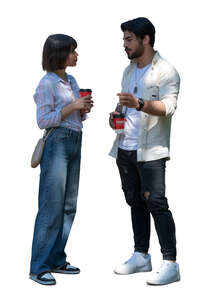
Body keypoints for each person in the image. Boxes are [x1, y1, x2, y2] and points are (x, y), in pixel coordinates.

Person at [109, 17, 180, 285]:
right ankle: (141, 256)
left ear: (145, 39)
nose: (124, 45)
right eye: (124, 39)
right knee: (135, 202)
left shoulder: (167, 71)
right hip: (125, 147)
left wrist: (139, 104)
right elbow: (125, 106)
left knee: (157, 204)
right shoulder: (128, 70)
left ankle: (171, 263)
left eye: (129, 39)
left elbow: (168, 107)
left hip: (151, 152)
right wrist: (117, 114)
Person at [29, 34, 93, 285]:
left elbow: (74, 115)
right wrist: (72, 106)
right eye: (72, 51)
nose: (76, 55)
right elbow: (43, 120)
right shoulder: (47, 83)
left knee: (68, 206)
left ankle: (56, 258)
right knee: (51, 206)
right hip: (57, 143)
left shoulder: (72, 79)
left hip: (75, 139)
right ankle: (38, 267)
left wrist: (83, 109)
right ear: (59, 54)